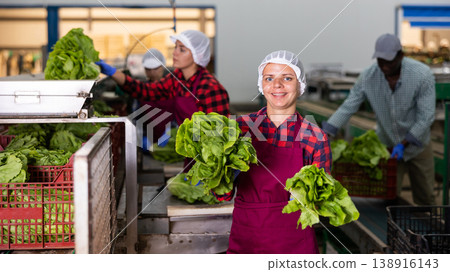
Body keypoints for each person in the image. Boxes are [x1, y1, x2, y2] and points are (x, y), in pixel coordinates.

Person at [216, 50, 332, 254]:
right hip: (246, 241)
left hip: (294, 246)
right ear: (262, 85)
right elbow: (223, 196)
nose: (277, 85)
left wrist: (309, 199)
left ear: (300, 85)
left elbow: (320, 206)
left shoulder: (315, 138)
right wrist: (221, 170)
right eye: (269, 78)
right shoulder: (239, 130)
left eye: (287, 78)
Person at [322, 33, 436, 205]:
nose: (384, 66)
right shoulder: (368, 77)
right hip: (388, 147)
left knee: (426, 196)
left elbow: (426, 117)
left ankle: (430, 230)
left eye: (389, 61)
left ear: (401, 56)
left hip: (418, 146)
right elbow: (349, 106)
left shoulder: (421, 75)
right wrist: (327, 131)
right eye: (380, 60)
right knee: (388, 197)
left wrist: (404, 143)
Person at [96, 30, 230, 145]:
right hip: (189, 154)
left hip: (207, 160)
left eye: (181, 49)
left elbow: (218, 138)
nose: (175, 53)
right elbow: (147, 91)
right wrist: (113, 72)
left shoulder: (210, 88)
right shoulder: (177, 78)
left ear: (197, 56)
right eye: (176, 47)